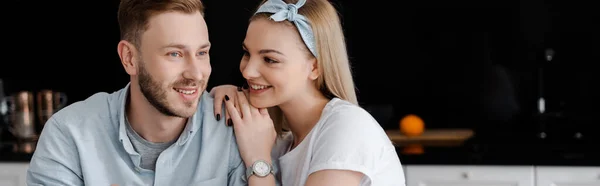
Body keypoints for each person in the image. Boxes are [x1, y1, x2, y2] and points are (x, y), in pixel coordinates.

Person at [26, 0, 277, 185]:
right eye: (175, 54)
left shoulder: (232, 129)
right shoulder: (69, 133)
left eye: (202, 53)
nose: (196, 74)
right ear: (129, 58)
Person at [210, 0, 406, 185]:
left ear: (315, 68)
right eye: (246, 53)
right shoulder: (281, 143)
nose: (247, 71)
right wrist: (229, 97)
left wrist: (258, 161)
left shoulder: (348, 127)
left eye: (270, 59)